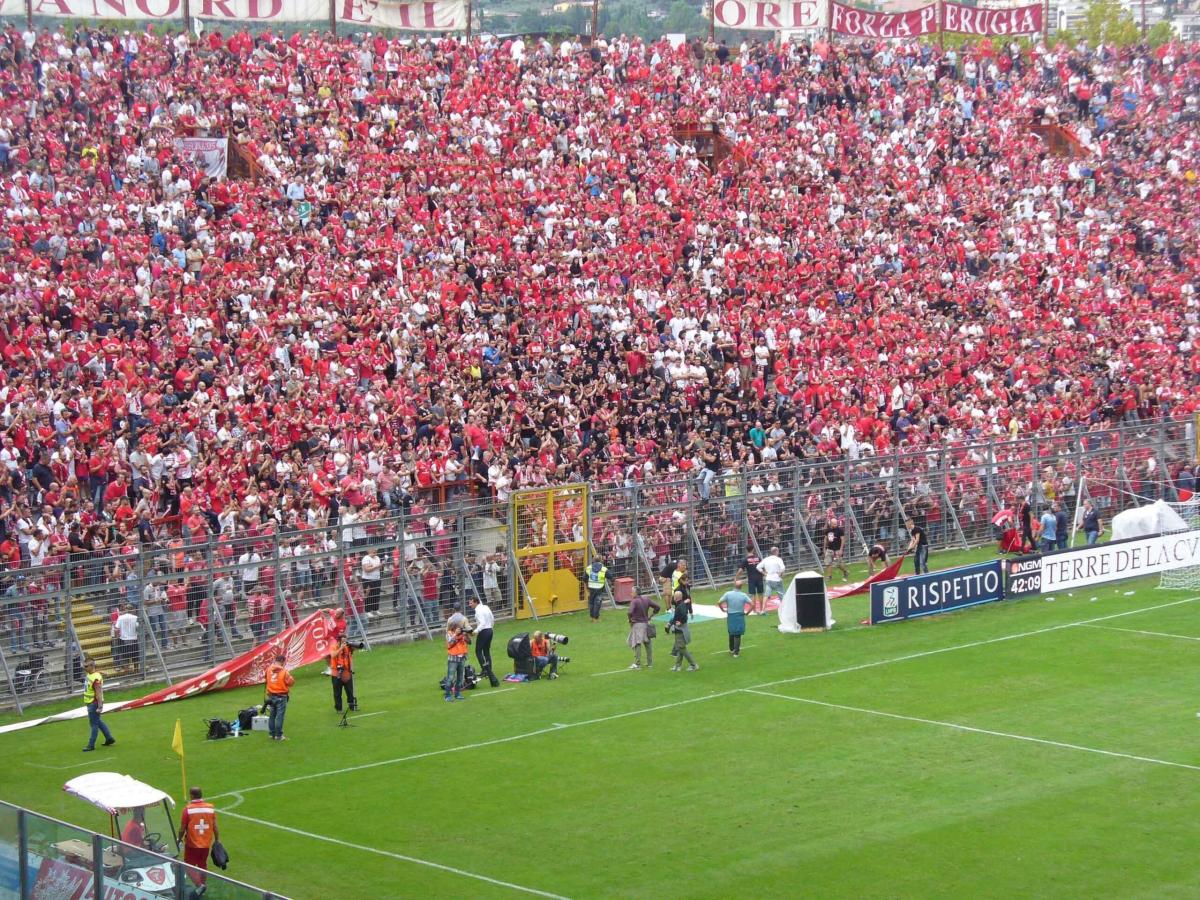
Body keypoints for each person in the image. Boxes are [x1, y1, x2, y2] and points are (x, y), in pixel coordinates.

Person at [180, 786, 219, 887]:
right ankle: (203, 884)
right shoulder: (210, 808)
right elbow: (215, 826)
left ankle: (200, 886)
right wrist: (217, 840)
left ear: (192, 795)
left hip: (192, 844)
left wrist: (178, 839)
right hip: (206, 843)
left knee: (189, 868)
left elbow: (182, 828)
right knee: (202, 866)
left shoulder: (187, 809)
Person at [81, 657, 115, 752]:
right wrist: (103, 672)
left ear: (91, 666)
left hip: (93, 703)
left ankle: (91, 745)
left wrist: (100, 706)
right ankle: (109, 738)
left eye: (86, 666)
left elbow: (98, 693)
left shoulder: (96, 679)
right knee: (98, 721)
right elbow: (95, 671)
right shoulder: (91, 673)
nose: (84, 668)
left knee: (94, 724)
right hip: (90, 703)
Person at [329, 633, 364, 714]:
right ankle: (339, 709)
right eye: (343, 641)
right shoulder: (333, 646)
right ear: (339, 641)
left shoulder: (348, 647)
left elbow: (355, 649)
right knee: (337, 692)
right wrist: (341, 648)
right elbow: (333, 655)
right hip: (336, 673)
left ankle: (352, 706)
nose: (344, 642)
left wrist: (355, 644)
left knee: (350, 691)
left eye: (345, 640)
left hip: (347, 672)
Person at [469, 596, 500, 687]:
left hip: (484, 631)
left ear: (476, 602)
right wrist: (491, 627)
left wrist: (476, 631)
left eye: (471, 603)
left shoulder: (478, 611)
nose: (469, 605)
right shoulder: (486, 607)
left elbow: (482, 623)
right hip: (490, 630)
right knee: (486, 651)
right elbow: (492, 618)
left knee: (478, 651)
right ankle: (488, 669)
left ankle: (485, 669)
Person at [718, 578, 753, 657]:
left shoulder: (728, 594)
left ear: (734, 585)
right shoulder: (743, 595)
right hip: (739, 615)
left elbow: (719, 602)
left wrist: (723, 609)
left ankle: (731, 649)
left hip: (731, 615)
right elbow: (752, 604)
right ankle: (736, 652)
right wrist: (747, 613)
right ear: (741, 587)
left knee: (731, 632)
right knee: (738, 634)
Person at [264, 651, 294, 741]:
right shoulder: (284, 671)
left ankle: (271, 734)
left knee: (272, 715)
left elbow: (266, 678)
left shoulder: (268, 669)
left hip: (271, 696)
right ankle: (279, 735)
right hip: (281, 696)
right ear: (282, 662)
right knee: (279, 716)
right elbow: (291, 682)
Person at [626, 593, 661, 669]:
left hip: (638, 625)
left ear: (635, 593)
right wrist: (651, 616)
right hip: (646, 623)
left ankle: (637, 664)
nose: (631, 593)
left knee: (637, 643)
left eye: (632, 592)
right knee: (648, 643)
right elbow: (657, 607)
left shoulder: (634, 601)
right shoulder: (646, 599)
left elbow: (629, 612)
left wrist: (630, 620)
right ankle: (650, 663)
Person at [668, 588, 698, 672]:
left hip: (680, 630)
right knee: (679, 648)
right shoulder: (681, 604)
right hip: (681, 629)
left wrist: (680, 622)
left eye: (674, 596)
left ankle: (693, 665)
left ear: (676, 597)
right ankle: (678, 666)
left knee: (682, 648)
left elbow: (684, 616)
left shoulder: (679, 606)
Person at [444, 613, 471, 701]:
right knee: (450, 678)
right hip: (453, 659)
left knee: (460, 677)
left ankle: (457, 693)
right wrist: (456, 635)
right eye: (458, 627)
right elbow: (450, 643)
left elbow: (469, 642)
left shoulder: (462, 634)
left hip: (462, 658)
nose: (460, 628)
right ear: (454, 627)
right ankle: (447, 696)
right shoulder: (449, 633)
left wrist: (466, 635)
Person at [756, 546, 786, 612]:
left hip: (768, 578)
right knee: (781, 594)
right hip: (777, 579)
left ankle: (763, 610)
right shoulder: (778, 559)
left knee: (766, 595)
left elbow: (758, 567)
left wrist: (764, 573)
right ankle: (784, 609)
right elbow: (783, 568)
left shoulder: (766, 559)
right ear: (776, 552)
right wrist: (780, 573)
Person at [823, 512, 850, 582]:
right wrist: (824, 548)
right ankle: (829, 576)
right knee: (828, 563)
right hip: (830, 549)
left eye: (836, 523)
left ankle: (845, 571)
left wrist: (841, 550)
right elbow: (825, 539)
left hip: (837, 549)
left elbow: (843, 540)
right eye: (834, 524)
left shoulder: (840, 530)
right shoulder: (828, 530)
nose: (836, 525)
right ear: (831, 524)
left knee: (838, 564)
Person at [741, 551, 764, 615]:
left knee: (753, 595)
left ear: (747, 550)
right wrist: (764, 573)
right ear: (753, 550)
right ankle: (761, 609)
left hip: (751, 579)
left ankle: (754, 610)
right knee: (760, 594)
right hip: (759, 577)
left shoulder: (746, 559)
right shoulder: (758, 558)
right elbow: (762, 566)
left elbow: (741, 569)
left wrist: (736, 577)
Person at [585, 558, 608, 622]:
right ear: (601, 561)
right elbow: (610, 576)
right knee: (597, 603)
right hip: (599, 588)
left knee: (591, 603)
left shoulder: (588, 568)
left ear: (593, 561)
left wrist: (587, 586)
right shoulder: (603, 569)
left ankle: (592, 617)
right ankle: (596, 618)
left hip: (591, 587)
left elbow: (584, 578)